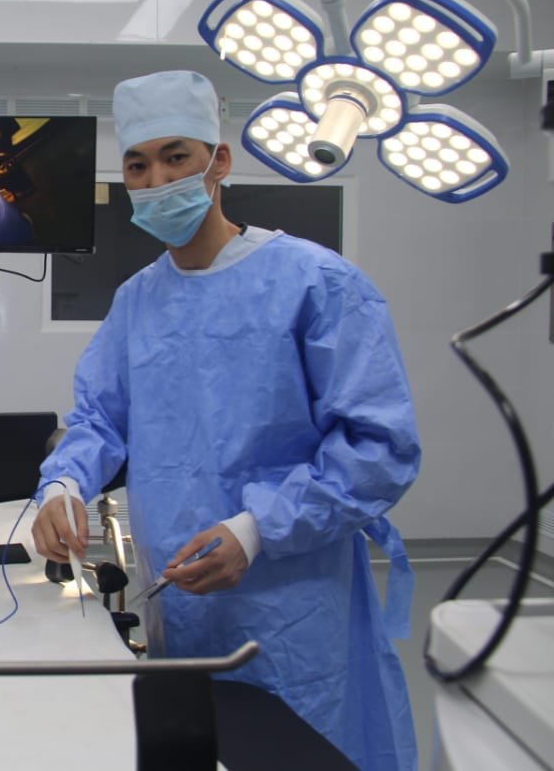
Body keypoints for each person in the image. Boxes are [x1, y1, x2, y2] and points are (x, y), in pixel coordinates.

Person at [31, 71, 420, 770]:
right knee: (196, 744)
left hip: (293, 604)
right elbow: (99, 418)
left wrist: (256, 529)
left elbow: (379, 447)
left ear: (219, 161)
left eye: (176, 156)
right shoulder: (137, 300)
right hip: (177, 598)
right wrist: (63, 484)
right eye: (137, 165)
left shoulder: (316, 282)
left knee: (298, 749)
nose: (156, 180)